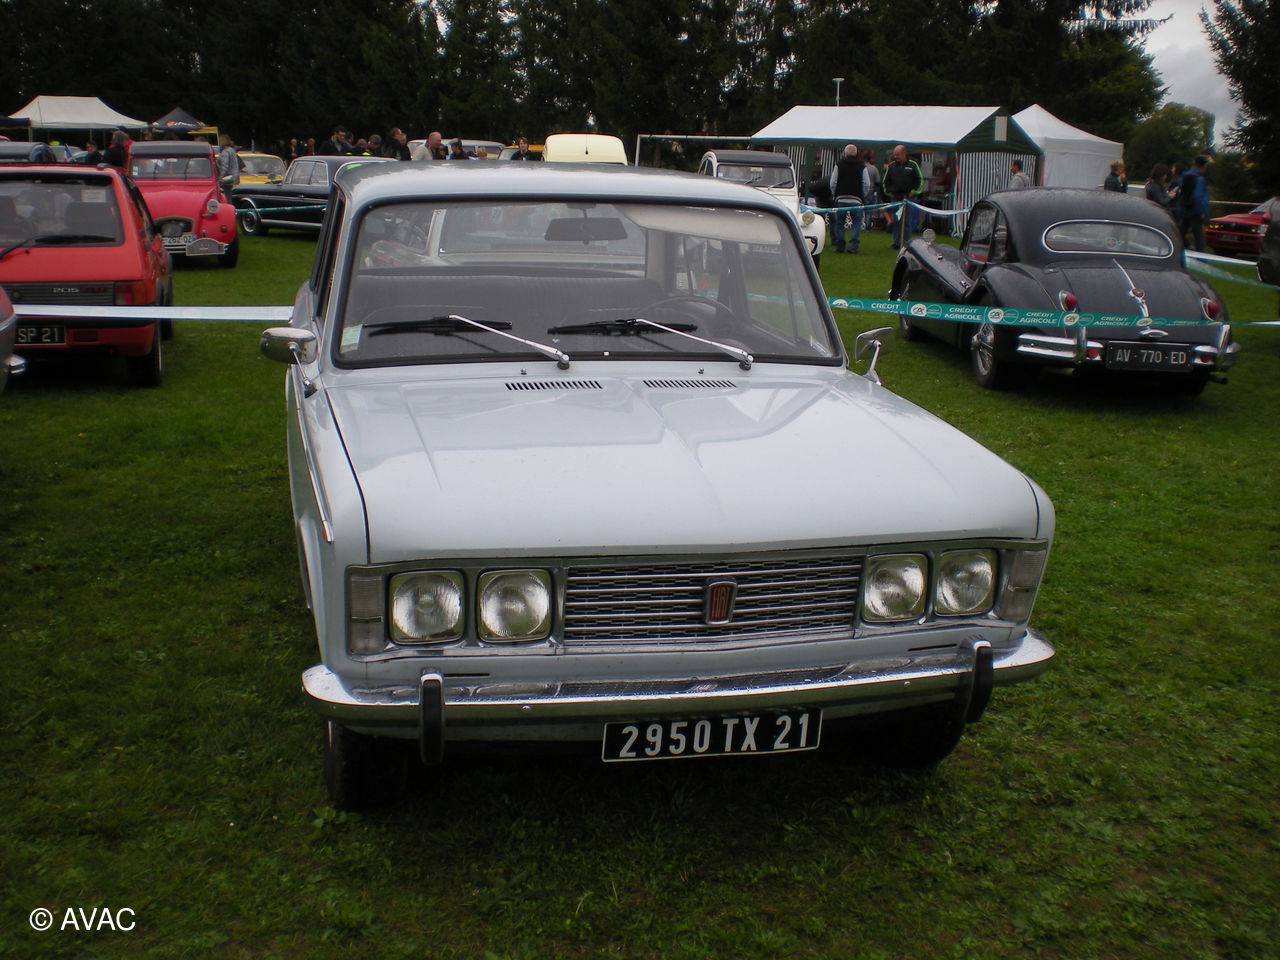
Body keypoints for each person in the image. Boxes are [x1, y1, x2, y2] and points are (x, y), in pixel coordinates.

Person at [828, 143, 868, 254]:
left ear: (845, 153)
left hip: (840, 198)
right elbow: (866, 183)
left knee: (839, 223)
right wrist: (862, 195)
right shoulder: (862, 165)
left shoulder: (839, 164)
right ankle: (853, 246)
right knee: (856, 223)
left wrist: (835, 194)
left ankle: (840, 246)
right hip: (857, 199)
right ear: (856, 153)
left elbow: (833, 182)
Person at [883, 144, 923, 249]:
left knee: (906, 222)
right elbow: (885, 182)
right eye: (895, 155)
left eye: (898, 155)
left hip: (907, 198)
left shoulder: (913, 165)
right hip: (895, 198)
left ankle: (906, 243)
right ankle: (896, 243)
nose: (895, 157)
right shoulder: (891, 166)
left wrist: (914, 192)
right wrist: (890, 192)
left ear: (904, 154)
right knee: (896, 220)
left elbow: (919, 181)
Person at [1176, 155, 1211, 252]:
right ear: (1204, 166)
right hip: (1195, 212)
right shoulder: (1199, 178)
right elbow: (1197, 196)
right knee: (1198, 238)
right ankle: (1201, 257)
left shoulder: (1185, 176)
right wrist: (1202, 212)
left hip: (1184, 209)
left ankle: (1176, 252)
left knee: (1180, 235)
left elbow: (1180, 192)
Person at [217, 133, 240, 200]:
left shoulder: (225, 152)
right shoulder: (231, 150)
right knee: (229, 195)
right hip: (233, 177)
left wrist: (220, 177)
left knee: (225, 197)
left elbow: (225, 167)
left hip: (227, 178)